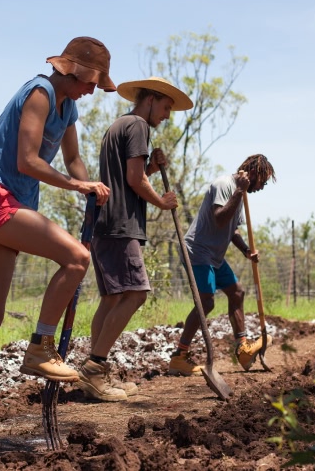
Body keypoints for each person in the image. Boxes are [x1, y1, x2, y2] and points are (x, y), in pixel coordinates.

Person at [0, 37, 115, 449]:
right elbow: (27, 161)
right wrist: (76, 185)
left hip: (1, 201)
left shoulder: (68, 105)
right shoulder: (39, 93)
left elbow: (72, 159)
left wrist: (88, 183)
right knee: (77, 257)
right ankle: (40, 347)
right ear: (73, 70)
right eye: (91, 81)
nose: (92, 90)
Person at [76, 77, 193, 402]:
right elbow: (133, 178)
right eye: (167, 107)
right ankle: (94, 369)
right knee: (137, 293)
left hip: (103, 221)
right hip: (120, 223)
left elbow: (131, 176)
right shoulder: (139, 126)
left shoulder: (120, 125)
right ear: (151, 99)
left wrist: (151, 167)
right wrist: (161, 201)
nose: (167, 115)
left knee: (112, 298)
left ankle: (95, 373)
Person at [168, 154, 276, 377]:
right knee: (205, 303)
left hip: (214, 255)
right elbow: (219, 218)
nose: (262, 188)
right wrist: (238, 192)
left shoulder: (241, 195)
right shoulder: (224, 185)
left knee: (237, 292)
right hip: (197, 250)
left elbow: (232, 229)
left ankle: (243, 348)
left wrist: (246, 250)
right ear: (254, 173)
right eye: (262, 182)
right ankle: (179, 357)